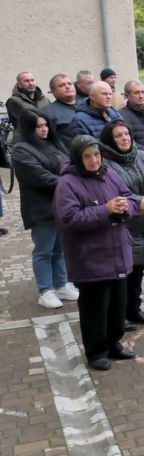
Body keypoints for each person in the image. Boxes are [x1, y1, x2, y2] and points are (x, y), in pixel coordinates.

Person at [53, 136, 138, 371]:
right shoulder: (67, 183)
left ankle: (114, 343)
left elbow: (129, 196)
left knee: (117, 306)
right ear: (78, 159)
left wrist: (125, 207)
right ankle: (96, 351)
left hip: (118, 253)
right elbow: (69, 219)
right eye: (87, 156)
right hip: (90, 257)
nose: (94, 160)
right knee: (95, 309)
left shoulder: (110, 174)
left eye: (97, 155)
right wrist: (105, 209)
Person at [98, 120, 144, 328]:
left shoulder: (143, 155)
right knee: (123, 272)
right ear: (110, 139)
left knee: (138, 270)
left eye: (126, 133)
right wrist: (137, 202)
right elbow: (107, 191)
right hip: (124, 224)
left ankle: (134, 309)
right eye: (118, 135)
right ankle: (120, 315)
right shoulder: (104, 162)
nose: (124, 138)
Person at [11, 109, 77, 309]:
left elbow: (70, 165)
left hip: (61, 205)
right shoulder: (21, 150)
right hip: (40, 209)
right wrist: (71, 185)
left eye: (46, 125)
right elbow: (40, 177)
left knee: (60, 249)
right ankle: (45, 290)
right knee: (44, 251)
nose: (44, 129)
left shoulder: (53, 143)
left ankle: (61, 284)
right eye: (39, 126)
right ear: (29, 128)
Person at [119, 80, 144, 153]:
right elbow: (127, 142)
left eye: (143, 92)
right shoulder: (120, 117)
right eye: (136, 93)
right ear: (126, 95)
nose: (141, 96)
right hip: (138, 159)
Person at [42, 74, 79, 148]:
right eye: (61, 85)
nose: (67, 87)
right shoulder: (47, 113)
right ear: (53, 92)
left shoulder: (88, 106)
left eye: (69, 84)